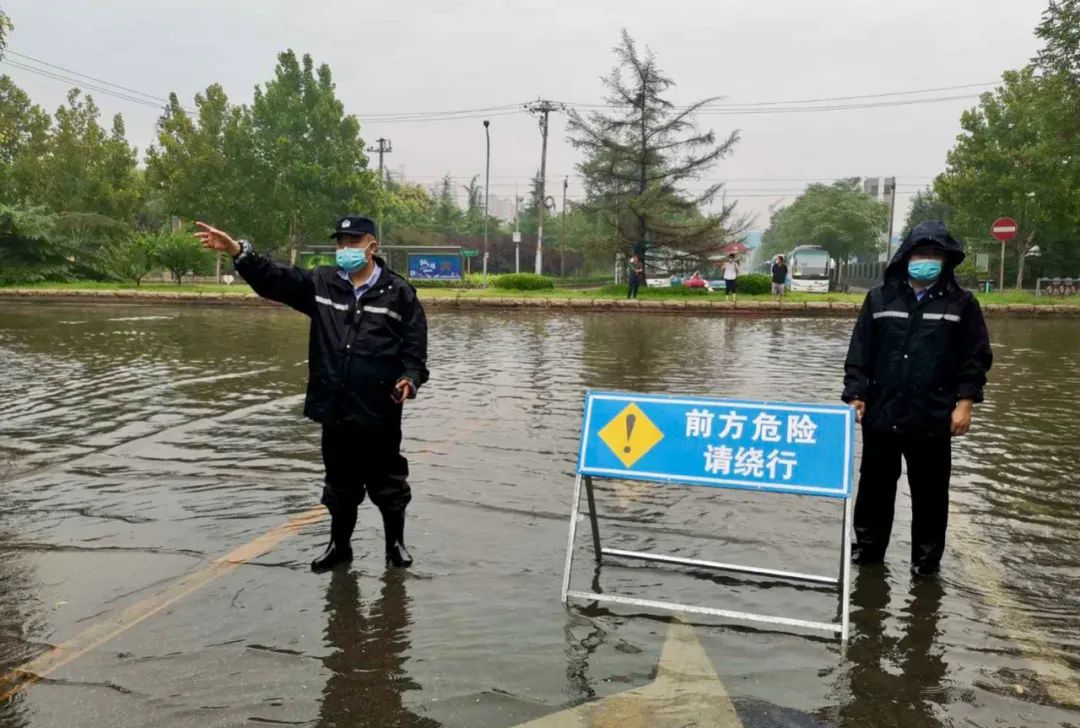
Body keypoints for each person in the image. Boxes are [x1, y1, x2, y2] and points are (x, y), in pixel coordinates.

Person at [194, 216, 429, 573]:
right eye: (340, 243)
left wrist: (410, 378)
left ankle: (395, 545)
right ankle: (339, 546)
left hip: (379, 408)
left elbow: (415, 349)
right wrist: (238, 251)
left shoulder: (399, 293)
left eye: (353, 242)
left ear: (372, 247)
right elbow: (275, 280)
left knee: (389, 483)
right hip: (334, 406)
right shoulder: (322, 283)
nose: (345, 249)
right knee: (339, 483)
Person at [842, 221, 992, 577]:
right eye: (920, 254)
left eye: (935, 255)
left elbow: (976, 357)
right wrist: (856, 394)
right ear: (906, 257)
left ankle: (926, 566)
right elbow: (860, 350)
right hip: (882, 412)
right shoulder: (880, 299)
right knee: (875, 489)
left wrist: (965, 402)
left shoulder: (961, 304)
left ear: (946, 261)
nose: (926, 260)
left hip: (933, 416)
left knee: (930, 495)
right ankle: (868, 555)